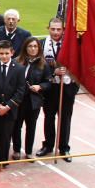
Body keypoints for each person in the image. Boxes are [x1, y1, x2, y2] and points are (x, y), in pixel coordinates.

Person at [37, 18, 78, 162]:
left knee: (65, 118)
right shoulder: (42, 44)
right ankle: (48, 145)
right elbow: (39, 65)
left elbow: (79, 63)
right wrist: (53, 71)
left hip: (67, 87)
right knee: (49, 117)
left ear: (63, 30)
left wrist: (69, 71)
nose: (55, 32)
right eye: (53, 29)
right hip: (50, 87)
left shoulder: (72, 45)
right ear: (48, 28)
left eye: (58, 29)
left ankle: (64, 147)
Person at [0, 41, 26, 169]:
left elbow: (20, 90)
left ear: (12, 53)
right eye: (1, 53)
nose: (4, 56)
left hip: (9, 110)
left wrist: (7, 106)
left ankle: (2, 160)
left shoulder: (19, 68)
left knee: (5, 136)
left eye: (7, 53)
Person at [13, 37, 52, 160]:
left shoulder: (43, 64)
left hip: (33, 101)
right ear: (25, 48)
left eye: (35, 46)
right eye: (30, 46)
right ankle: (16, 150)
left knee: (31, 126)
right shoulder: (17, 61)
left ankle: (29, 151)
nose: (33, 49)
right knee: (16, 125)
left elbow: (48, 82)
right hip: (19, 100)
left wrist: (40, 86)